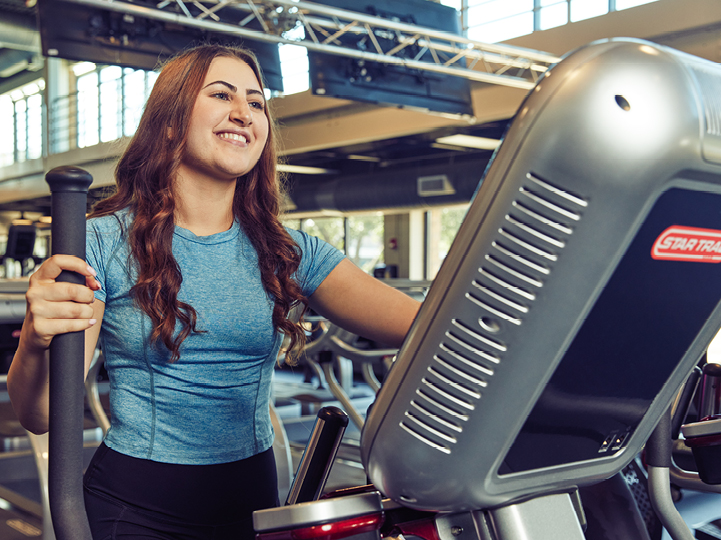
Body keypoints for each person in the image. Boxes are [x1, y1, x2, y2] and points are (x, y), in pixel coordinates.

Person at [7, 43, 420, 540]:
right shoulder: (103, 242)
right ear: (170, 121)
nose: (244, 113)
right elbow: (41, 414)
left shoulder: (289, 251)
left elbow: (426, 327)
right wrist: (36, 336)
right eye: (222, 94)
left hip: (251, 500)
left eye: (256, 102)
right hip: (137, 509)